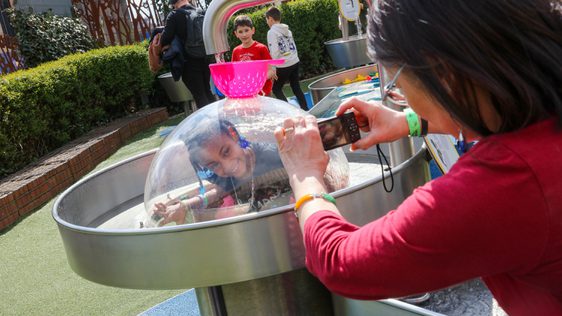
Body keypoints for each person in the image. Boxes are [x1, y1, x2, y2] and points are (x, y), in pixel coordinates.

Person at [274, 0, 562, 314]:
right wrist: (411, 121)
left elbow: (340, 262)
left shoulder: (500, 184)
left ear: (442, 75)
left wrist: (305, 176)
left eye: (397, 83)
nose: (399, 95)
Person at [153, 119, 289, 225]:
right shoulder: (226, 177)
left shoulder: (275, 156)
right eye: (213, 164)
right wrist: (183, 206)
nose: (227, 166)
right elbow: (217, 193)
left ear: (234, 135)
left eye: (226, 151)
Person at [160, 0, 215, 108]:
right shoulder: (201, 11)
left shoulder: (174, 15)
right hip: (205, 57)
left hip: (188, 61)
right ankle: (218, 120)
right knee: (207, 91)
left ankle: (208, 124)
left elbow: (165, 39)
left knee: (199, 95)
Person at [265, 7, 308, 111]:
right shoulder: (288, 30)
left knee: (276, 89)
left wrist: (273, 68)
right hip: (294, 61)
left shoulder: (271, 32)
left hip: (284, 64)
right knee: (296, 87)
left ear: (270, 18)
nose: (267, 22)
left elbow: (274, 52)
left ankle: (288, 112)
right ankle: (306, 109)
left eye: (266, 20)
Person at [231, 15, 276, 96]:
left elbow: (271, 71)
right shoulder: (236, 51)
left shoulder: (261, 48)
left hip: (264, 93)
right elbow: (235, 73)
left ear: (253, 30)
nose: (244, 34)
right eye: (240, 32)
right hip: (247, 93)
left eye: (246, 30)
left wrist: (258, 79)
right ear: (236, 34)